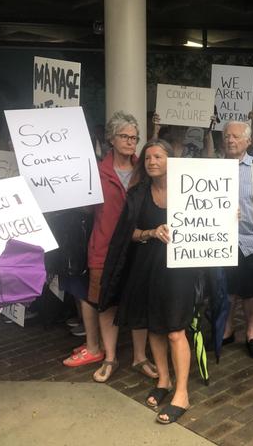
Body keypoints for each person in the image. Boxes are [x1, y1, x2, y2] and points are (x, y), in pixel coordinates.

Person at [100, 139, 196, 424]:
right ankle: (164, 381)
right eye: (148, 157)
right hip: (146, 268)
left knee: (175, 330)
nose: (152, 161)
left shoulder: (190, 189)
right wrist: (151, 232)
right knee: (154, 327)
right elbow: (127, 234)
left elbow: (210, 219)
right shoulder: (138, 193)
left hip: (180, 270)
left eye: (158, 156)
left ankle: (182, 393)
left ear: (171, 160)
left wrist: (228, 216)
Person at [63, 112, 157, 385]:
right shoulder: (95, 171)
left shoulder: (146, 170)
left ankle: (140, 357)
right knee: (106, 304)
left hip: (140, 246)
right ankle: (110, 357)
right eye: (125, 137)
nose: (131, 142)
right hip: (104, 248)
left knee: (138, 303)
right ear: (112, 139)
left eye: (134, 137)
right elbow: (84, 208)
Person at [222, 121, 253, 359]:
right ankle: (227, 329)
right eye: (227, 136)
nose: (230, 140)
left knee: (250, 293)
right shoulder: (211, 169)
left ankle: (251, 332)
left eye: (236, 136)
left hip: (250, 240)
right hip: (221, 240)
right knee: (226, 290)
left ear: (248, 141)